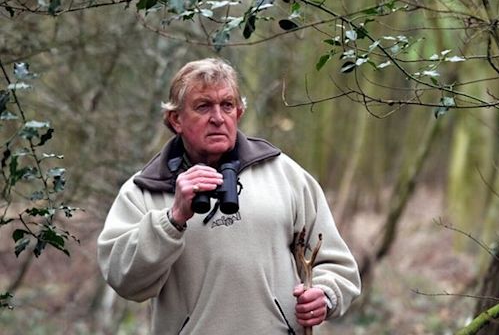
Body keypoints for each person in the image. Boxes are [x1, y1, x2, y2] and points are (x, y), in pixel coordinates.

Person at [97, 58, 361, 334]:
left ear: (239, 112)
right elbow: (124, 280)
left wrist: (325, 296)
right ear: (176, 119)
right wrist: (172, 220)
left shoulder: (283, 173)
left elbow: (338, 264)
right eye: (203, 106)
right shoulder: (145, 189)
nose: (218, 118)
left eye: (227, 105)